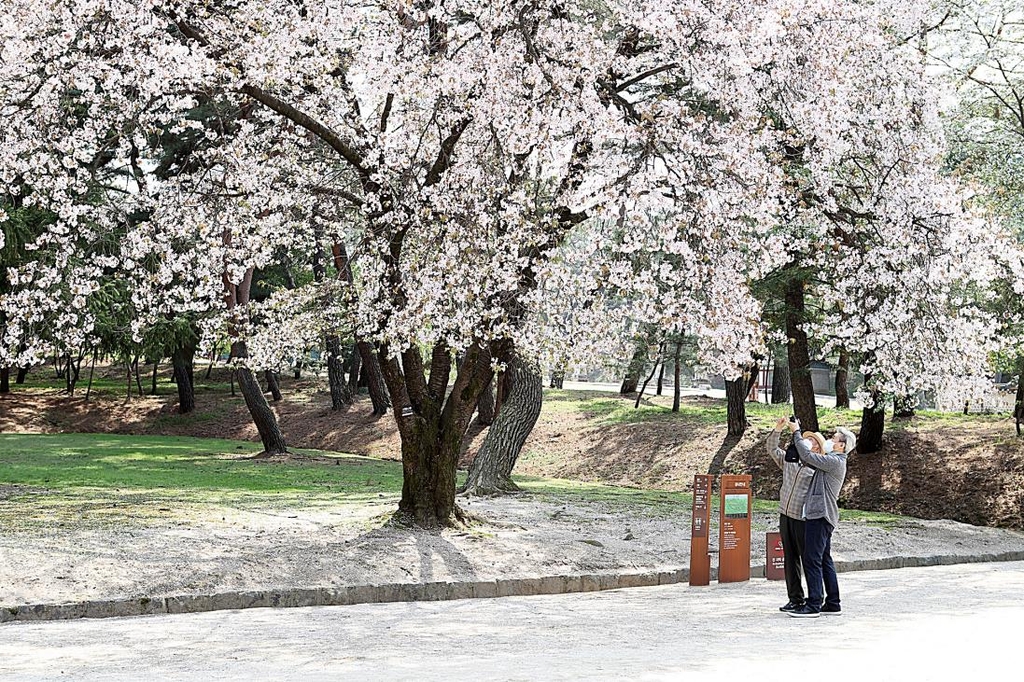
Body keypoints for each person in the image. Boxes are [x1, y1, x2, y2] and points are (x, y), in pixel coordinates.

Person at [788, 425, 855, 618]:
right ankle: (833, 603)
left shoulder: (835, 461)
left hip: (820, 516)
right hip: (824, 516)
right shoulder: (833, 461)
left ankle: (814, 604)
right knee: (824, 560)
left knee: (811, 559)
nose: (829, 440)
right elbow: (806, 459)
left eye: (833, 438)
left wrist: (796, 432)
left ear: (841, 445)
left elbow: (808, 456)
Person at [767, 416, 815, 612]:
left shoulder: (817, 468)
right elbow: (772, 448)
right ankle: (795, 599)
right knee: (790, 558)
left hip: (803, 519)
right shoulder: (790, 461)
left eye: (812, 441)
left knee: (808, 559)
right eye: (806, 438)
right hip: (785, 515)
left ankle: (814, 599)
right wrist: (778, 428)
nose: (807, 442)